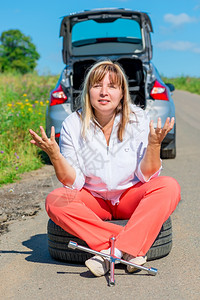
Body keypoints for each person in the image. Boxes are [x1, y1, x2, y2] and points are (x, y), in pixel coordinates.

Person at [29, 60, 181, 277]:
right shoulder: (73, 123)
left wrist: (154, 145)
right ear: (87, 91)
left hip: (130, 195)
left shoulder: (138, 119)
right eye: (97, 85)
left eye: (112, 86)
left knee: (169, 186)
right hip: (94, 200)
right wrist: (55, 156)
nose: (104, 92)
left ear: (122, 93)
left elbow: (147, 175)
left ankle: (111, 251)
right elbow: (73, 182)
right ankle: (129, 247)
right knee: (56, 199)